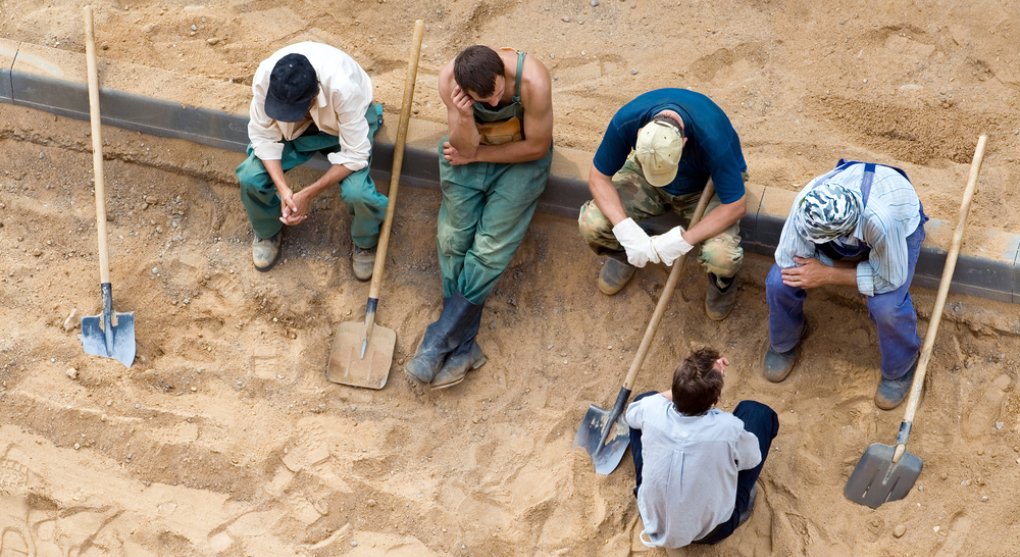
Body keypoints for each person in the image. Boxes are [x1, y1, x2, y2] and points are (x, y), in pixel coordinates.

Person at [404, 45, 553, 390]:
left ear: (503, 71)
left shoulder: (534, 81)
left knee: (488, 249)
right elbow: (463, 146)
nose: (495, 104)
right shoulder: (449, 83)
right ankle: (465, 347)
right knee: (452, 240)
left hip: (521, 161)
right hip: (470, 154)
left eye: (499, 93)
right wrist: (466, 117)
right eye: (482, 100)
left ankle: (438, 338)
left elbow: (536, 147)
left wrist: (478, 156)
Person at [763, 160, 928, 410]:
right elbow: (787, 260)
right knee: (779, 281)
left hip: (897, 222)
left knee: (887, 306)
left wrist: (827, 274)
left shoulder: (883, 220)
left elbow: (889, 279)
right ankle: (785, 341)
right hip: (845, 231)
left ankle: (900, 366)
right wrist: (822, 269)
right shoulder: (806, 204)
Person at [578, 88, 748, 320]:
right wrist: (625, 229)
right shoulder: (627, 119)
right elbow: (598, 177)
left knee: (722, 257)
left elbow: (736, 205)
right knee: (592, 223)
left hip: (704, 188)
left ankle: (722, 285)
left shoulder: (712, 137)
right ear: (639, 134)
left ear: (684, 142)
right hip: (646, 176)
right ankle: (627, 254)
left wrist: (683, 240)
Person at [235, 42, 387, 279]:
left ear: (314, 96)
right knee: (250, 176)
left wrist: (308, 193)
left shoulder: (344, 90)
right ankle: (267, 230)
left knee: (359, 193)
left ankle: (365, 241)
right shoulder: (267, 78)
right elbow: (263, 137)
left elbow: (355, 155)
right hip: (297, 133)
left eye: (294, 110)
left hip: (344, 124)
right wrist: (283, 189)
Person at [625, 347, 779, 549]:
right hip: (710, 529)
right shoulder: (727, 429)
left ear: (675, 390)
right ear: (713, 401)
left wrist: (688, 388)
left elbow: (631, 414)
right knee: (758, 413)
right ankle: (737, 508)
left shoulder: (652, 409)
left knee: (641, 403)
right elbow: (751, 458)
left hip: (654, 518)